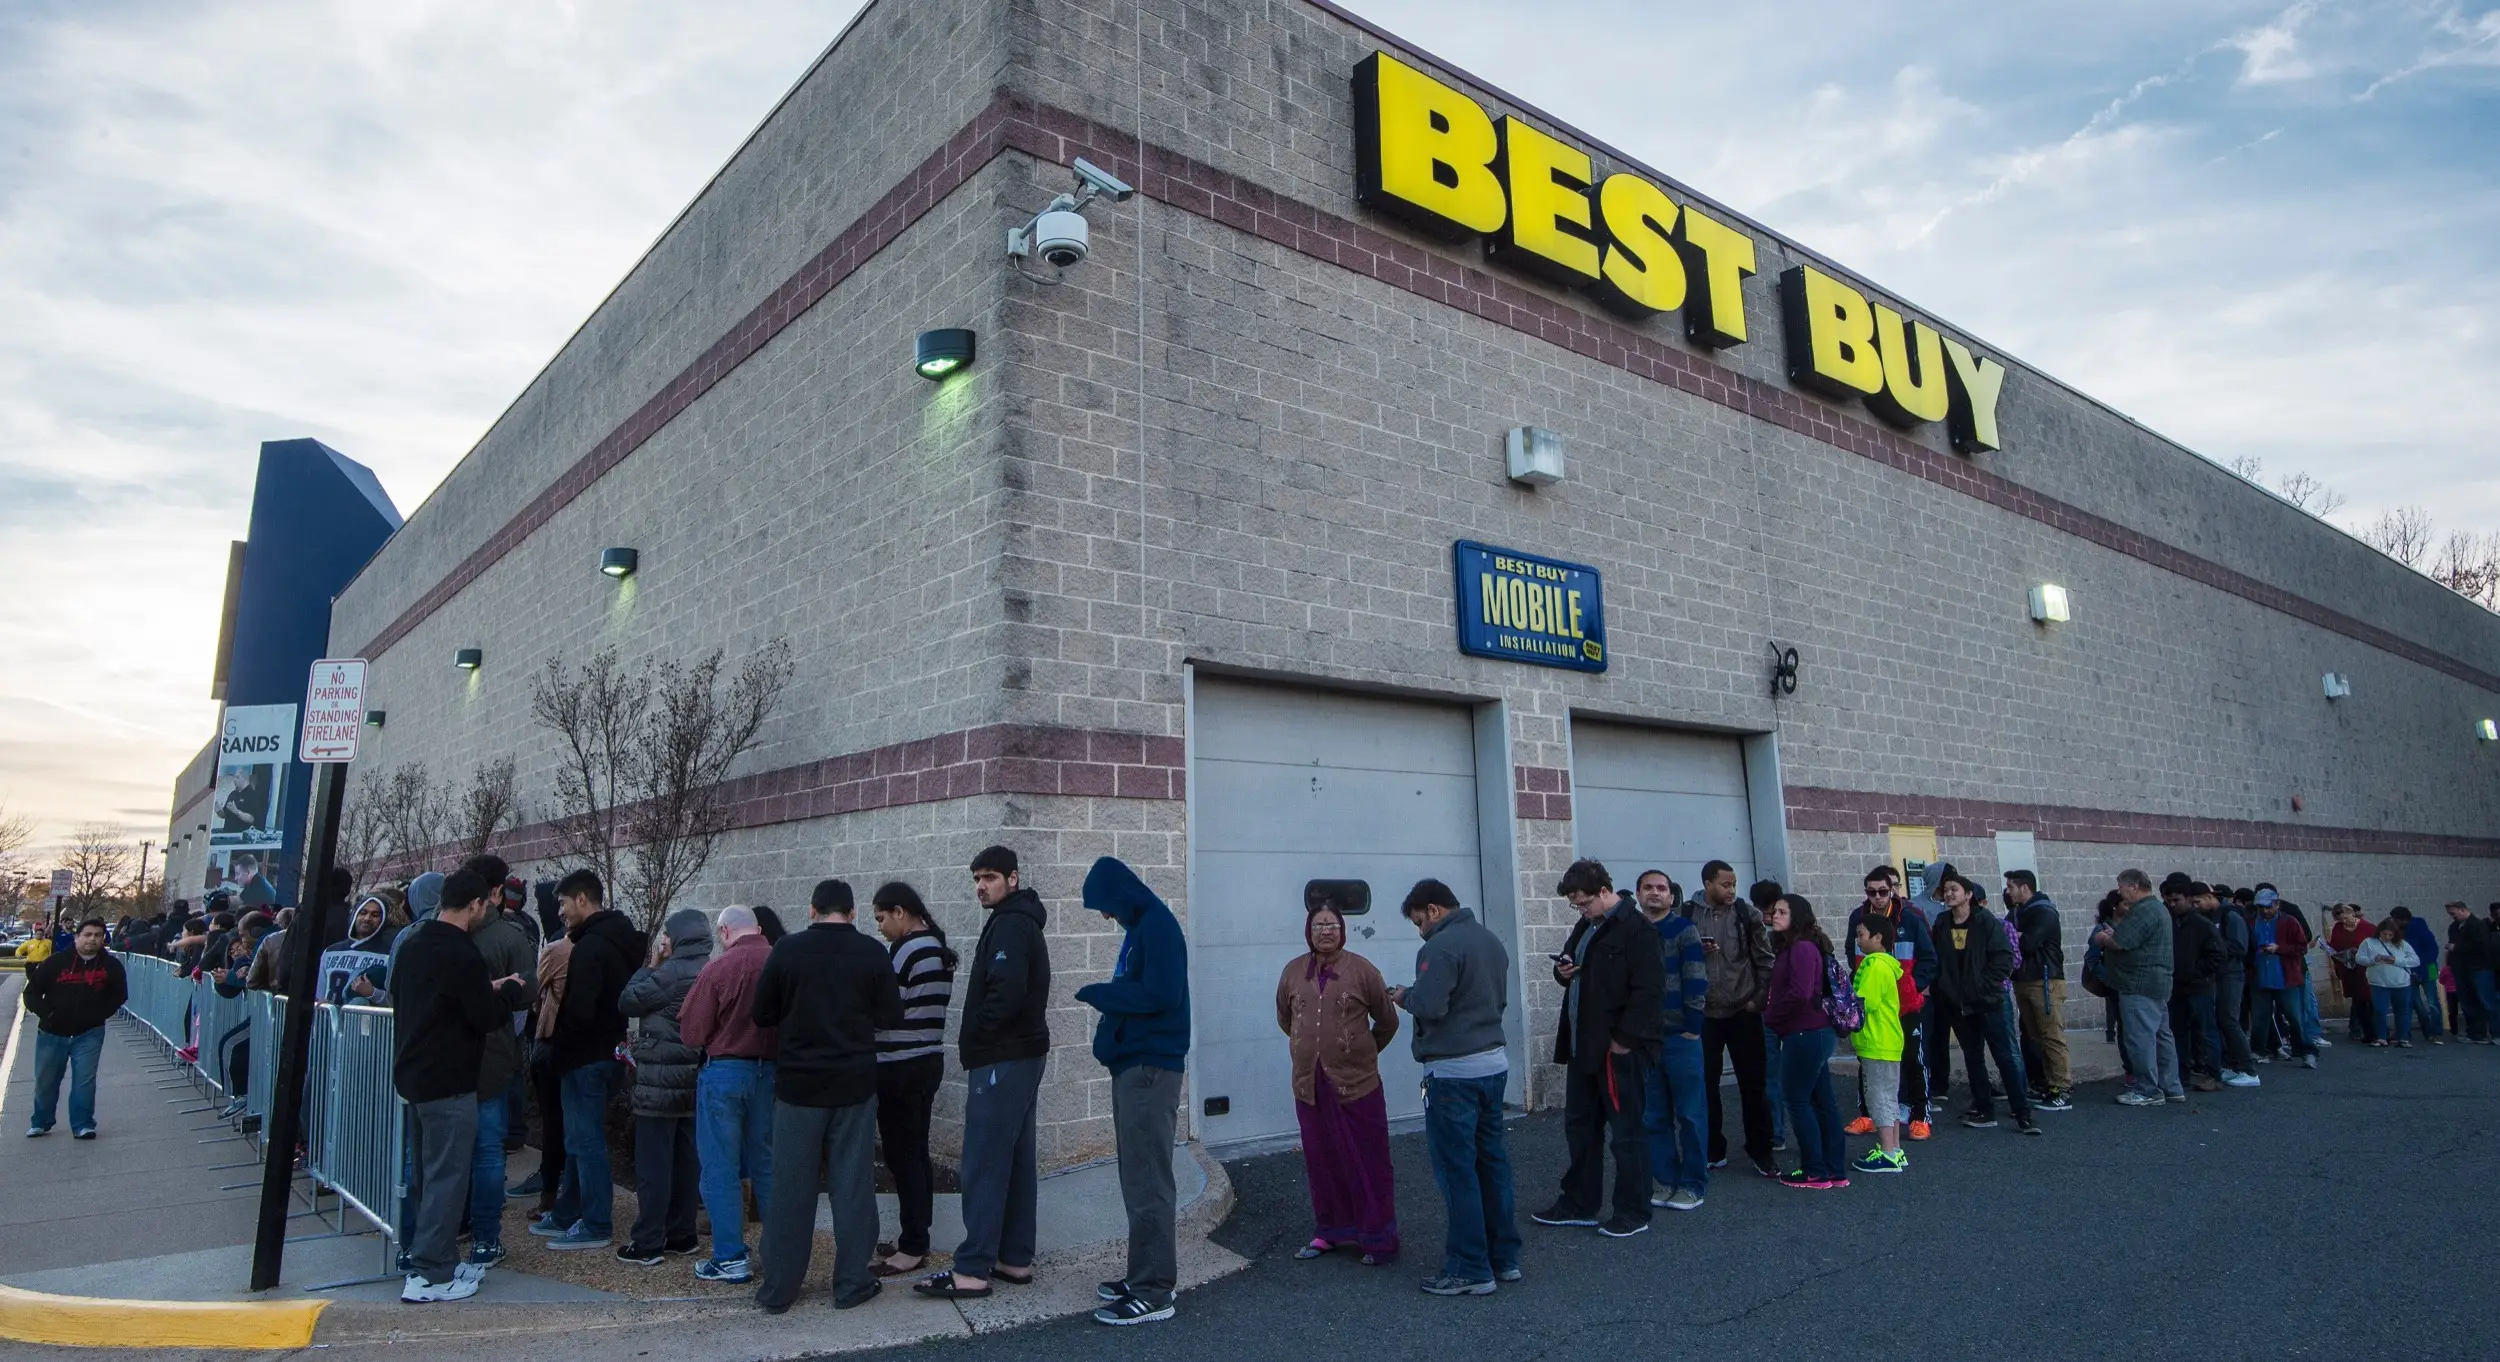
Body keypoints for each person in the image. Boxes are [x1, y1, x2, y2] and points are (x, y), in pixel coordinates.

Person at [748, 879, 901, 1314]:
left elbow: (762, 1014)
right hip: (854, 1085)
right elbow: (891, 1014)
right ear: (852, 913)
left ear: (812, 910)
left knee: (790, 1187)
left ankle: (779, 1288)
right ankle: (852, 1282)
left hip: (798, 1087)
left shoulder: (788, 951)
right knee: (852, 1186)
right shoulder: (872, 952)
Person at [390, 870, 529, 1303]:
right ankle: (432, 1274)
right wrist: (507, 994)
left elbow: (429, 996)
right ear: (473, 905)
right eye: (484, 905)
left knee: (427, 1176)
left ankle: (430, 1258)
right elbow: (483, 1017)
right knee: (448, 1177)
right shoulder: (463, 953)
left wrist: (483, 989)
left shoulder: (414, 945)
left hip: (415, 1076)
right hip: (450, 1080)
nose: (486, 910)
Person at [919, 847, 1049, 1300]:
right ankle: (1013, 1259)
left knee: (983, 1162)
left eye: (990, 877)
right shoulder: (1018, 920)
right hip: (1021, 1055)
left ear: (1012, 879)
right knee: (1014, 1160)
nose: (981, 885)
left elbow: (1006, 994)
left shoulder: (1012, 924)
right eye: (977, 877)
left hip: (1002, 1057)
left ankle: (972, 1269)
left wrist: (978, 1035)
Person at [1074, 857, 1193, 1325]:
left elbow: (1162, 996)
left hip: (1150, 1070)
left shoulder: (1158, 927)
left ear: (1121, 895)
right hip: (1135, 1067)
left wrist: (1103, 994)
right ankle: (1144, 1273)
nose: (1105, 916)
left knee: (1148, 1182)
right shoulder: (1142, 925)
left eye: (1105, 907)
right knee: (1136, 1178)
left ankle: (1153, 1292)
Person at [1387, 878, 1519, 1298]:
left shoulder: (1440, 946)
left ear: (1433, 910)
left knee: (1457, 1171)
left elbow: (1431, 1005)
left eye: (1417, 921)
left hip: (1453, 1075)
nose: (1419, 930)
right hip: (1492, 1065)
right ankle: (1504, 1258)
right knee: (1491, 1164)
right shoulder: (1489, 940)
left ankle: (1468, 1267)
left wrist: (1404, 995)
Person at [1532, 860, 1662, 1239]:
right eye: (1575, 904)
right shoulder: (1586, 927)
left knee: (1626, 1133)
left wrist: (1624, 1041)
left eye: (1584, 902)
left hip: (1619, 1052)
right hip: (1583, 1048)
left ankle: (1633, 1210)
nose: (1581, 909)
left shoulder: (1637, 931)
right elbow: (1568, 966)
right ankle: (1579, 1202)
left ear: (1605, 891)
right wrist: (1564, 971)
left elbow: (1650, 992)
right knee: (1581, 1129)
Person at [1276, 898, 1399, 1264]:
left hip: (1357, 1084)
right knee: (1322, 1160)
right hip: (1310, 1086)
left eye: (1331, 925)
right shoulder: (1293, 971)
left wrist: (1363, 1051)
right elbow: (1285, 1018)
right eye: (1318, 926)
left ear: (1342, 930)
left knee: (1367, 1160)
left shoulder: (1362, 971)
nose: (1325, 931)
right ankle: (1331, 1232)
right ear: (1308, 932)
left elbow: (1387, 1020)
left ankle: (1377, 1237)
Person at [532, 869, 645, 1251]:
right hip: (604, 1052)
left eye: (563, 903)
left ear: (582, 899)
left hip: (585, 1057)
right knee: (580, 1137)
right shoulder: (616, 941)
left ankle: (595, 1222)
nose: (560, 912)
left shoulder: (592, 947)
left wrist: (558, 1050)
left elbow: (580, 1009)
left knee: (585, 1139)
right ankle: (568, 1212)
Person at [677, 904, 778, 1283]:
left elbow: (691, 1033)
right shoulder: (780, 961)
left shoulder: (719, 967)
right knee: (766, 1164)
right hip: (769, 1071)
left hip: (725, 1072)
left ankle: (731, 1256)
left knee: (719, 1166)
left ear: (724, 931)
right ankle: (779, 1253)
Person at [615, 909, 713, 1265]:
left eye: (668, 934)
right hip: (693, 1079)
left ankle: (648, 1242)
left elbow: (627, 1000)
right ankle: (682, 1234)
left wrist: (651, 964)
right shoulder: (708, 968)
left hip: (659, 1082)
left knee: (654, 1164)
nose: (664, 941)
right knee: (687, 1162)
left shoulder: (670, 973)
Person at [868, 882, 956, 1279]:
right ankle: (915, 1234)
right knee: (916, 1152)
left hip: (899, 1063)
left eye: (882, 918)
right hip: (928, 1059)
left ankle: (913, 1246)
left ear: (900, 912)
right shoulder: (936, 946)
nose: (881, 927)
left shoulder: (904, 950)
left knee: (902, 1154)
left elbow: (885, 1009)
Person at [461, 870, 538, 1271]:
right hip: (489, 1054)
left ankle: (441, 1234)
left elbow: (527, 989)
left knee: (440, 1152)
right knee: (487, 1152)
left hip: (461, 1058)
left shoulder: (431, 935)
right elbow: (528, 990)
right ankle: (485, 1238)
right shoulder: (511, 936)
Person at [1927, 874, 2041, 1133]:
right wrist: (1945, 990)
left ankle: (2023, 1113)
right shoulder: (1942, 923)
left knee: (2004, 1057)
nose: (1949, 894)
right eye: (1945, 890)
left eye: (1954, 889)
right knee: (1973, 1057)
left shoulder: (1986, 922)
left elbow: (2004, 958)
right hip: (1958, 1004)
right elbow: (1937, 960)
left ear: (1968, 895)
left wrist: (1983, 987)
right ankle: (1984, 1109)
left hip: (1989, 1002)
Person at [1689, 861, 1776, 1178]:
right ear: (1708, 883)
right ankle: (1713, 1149)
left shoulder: (1747, 914)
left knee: (1754, 1084)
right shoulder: (1688, 915)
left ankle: (1761, 1150)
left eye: (1734, 884)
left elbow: (1765, 959)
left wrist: (1759, 998)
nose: (1731, 890)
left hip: (1743, 1011)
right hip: (1704, 1014)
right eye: (1725, 884)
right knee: (1706, 1085)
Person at [1632, 870, 1709, 1212]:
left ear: (1671, 896)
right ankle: (1665, 1180)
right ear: (1638, 894)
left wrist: (1693, 1025)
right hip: (1645, 1039)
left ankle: (1692, 1184)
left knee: (1690, 1114)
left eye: (1661, 888)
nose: (1655, 893)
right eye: (1648, 888)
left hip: (1680, 1036)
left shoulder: (1683, 930)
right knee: (1653, 1115)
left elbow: (1695, 977)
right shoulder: (1631, 931)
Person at [1763, 895, 1847, 1188]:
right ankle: (1834, 1169)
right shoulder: (1799, 947)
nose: (1775, 915)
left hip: (1804, 1033)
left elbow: (1799, 994)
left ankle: (1814, 1170)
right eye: (1775, 910)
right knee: (1822, 1100)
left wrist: (1770, 1017)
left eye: (1782, 911)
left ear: (1796, 916)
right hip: (1812, 1033)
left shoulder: (1800, 948)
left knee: (1797, 1100)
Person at [1845, 865, 1934, 1140]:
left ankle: (1920, 1116)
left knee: (1913, 1059)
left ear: (1892, 889)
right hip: (1873, 1005)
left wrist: (1910, 989)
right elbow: (1851, 954)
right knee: (1868, 1061)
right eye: (1871, 892)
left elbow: (1929, 960)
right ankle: (1868, 1115)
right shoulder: (1857, 918)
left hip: (1906, 1005)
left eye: (1883, 891)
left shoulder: (1912, 917)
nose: (1877, 897)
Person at [23, 919, 127, 1140]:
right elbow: (30, 994)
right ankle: (41, 1121)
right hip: (52, 1033)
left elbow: (119, 995)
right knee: (46, 1080)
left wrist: (98, 1015)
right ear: (76, 937)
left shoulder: (111, 966)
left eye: (98, 935)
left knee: (84, 1081)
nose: (92, 939)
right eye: (87, 934)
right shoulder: (54, 963)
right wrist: (48, 1014)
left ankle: (83, 1124)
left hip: (89, 1033)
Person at [2097, 869, 2182, 1105]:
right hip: (2157, 983)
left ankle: (2148, 1090)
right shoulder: (2158, 909)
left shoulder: (2143, 910)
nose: (2119, 892)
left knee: (2140, 1038)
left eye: (2121, 886)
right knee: (2162, 1035)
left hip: (2138, 984)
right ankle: (2171, 1086)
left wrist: (2103, 939)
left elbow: (2121, 942)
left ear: (2134, 886)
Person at [2003, 871, 2072, 1110]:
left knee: (2051, 1034)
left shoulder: (2044, 911)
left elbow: (2027, 942)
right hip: (2022, 979)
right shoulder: (2016, 913)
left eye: (2011, 887)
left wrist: (2016, 936)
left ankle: (2061, 1088)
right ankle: (2043, 1083)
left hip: (2044, 980)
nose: (2008, 891)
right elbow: (2006, 938)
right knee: (2033, 1035)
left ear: (2025, 888)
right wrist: (2015, 935)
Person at [1848, 915, 1907, 1175]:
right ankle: (1894, 1149)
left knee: (1879, 1097)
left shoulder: (1874, 965)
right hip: (1888, 1041)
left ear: (1877, 937)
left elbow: (1864, 1002)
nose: (1857, 939)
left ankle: (1887, 1153)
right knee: (1889, 1097)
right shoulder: (1887, 965)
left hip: (1877, 1041)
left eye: (1861, 934)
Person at [2168, 884, 2228, 1093]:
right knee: (2179, 1033)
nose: (2173, 905)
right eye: (2169, 901)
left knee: (2207, 1031)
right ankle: (2182, 1075)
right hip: (2177, 988)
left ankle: (2214, 1074)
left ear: (2188, 899)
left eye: (2177, 900)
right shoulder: (2172, 924)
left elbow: (2218, 955)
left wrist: (2195, 971)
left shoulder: (2202, 925)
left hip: (2200, 987)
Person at [2249, 892, 2317, 1067]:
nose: (2264, 910)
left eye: (2268, 906)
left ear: (2277, 904)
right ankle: (2257, 1051)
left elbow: (2302, 947)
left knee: (2295, 1017)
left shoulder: (2289, 921)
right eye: (2260, 907)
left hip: (2285, 977)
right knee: (2259, 1018)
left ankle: (2307, 1052)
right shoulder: (2251, 921)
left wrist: (2280, 948)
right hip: (2260, 977)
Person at [2203, 887, 2260, 1086]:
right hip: (2217, 975)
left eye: (2198, 901)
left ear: (2209, 897)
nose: (2196, 906)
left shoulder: (2230, 915)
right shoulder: (2210, 916)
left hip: (2231, 975)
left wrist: (2211, 946)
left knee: (2230, 1020)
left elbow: (2239, 947)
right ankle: (2232, 1065)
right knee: (2221, 1020)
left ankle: (2249, 1070)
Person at [2355, 921, 2419, 1048]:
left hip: (2401, 982)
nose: (2387, 937)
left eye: (2391, 935)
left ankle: (2403, 1038)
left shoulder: (2402, 944)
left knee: (2402, 1011)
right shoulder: (2368, 942)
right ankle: (2381, 1037)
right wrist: (2373, 960)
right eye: (2385, 934)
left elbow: (2415, 960)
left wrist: (2396, 961)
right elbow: (2359, 958)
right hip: (2379, 982)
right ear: (2379, 931)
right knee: (2379, 1010)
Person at [2390, 907, 2443, 1044]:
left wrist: (2417, 969)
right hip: (2413, 969)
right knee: (2415, 1002)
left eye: (2395, 920)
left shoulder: (2418, 930)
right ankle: (2426, 1032)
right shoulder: (2400, 931)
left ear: (2403, 920)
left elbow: (2431, 951)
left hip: (2426, 967)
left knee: (2431, 1001)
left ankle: (2435, 1031)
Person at [2446, 902, 2497, 1044]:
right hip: (2462, 969)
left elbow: (2482, 946)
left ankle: (2496, 1033)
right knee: (2468, 1003)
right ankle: (2476, 1033)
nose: (2452, 917)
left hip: (2479, 968)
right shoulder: (2455, 927)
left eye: (2453, 913)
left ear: (2463, 910)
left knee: (2487, 1001)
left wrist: (2457, 947)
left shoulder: (2478, 925)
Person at [2326, 904, 2377, 1044]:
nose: (2344, 922)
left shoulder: (2368, 927)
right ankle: (2366, 1032)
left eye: (2346, 918)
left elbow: (2377, 947)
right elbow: (2334, 947)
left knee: (2371, 1001)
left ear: (2352, 914)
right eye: (2341, 920)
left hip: (2367, 969)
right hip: (2349, 969)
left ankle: (2377, 1032)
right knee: (2358, 1002)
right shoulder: (2338, 928)